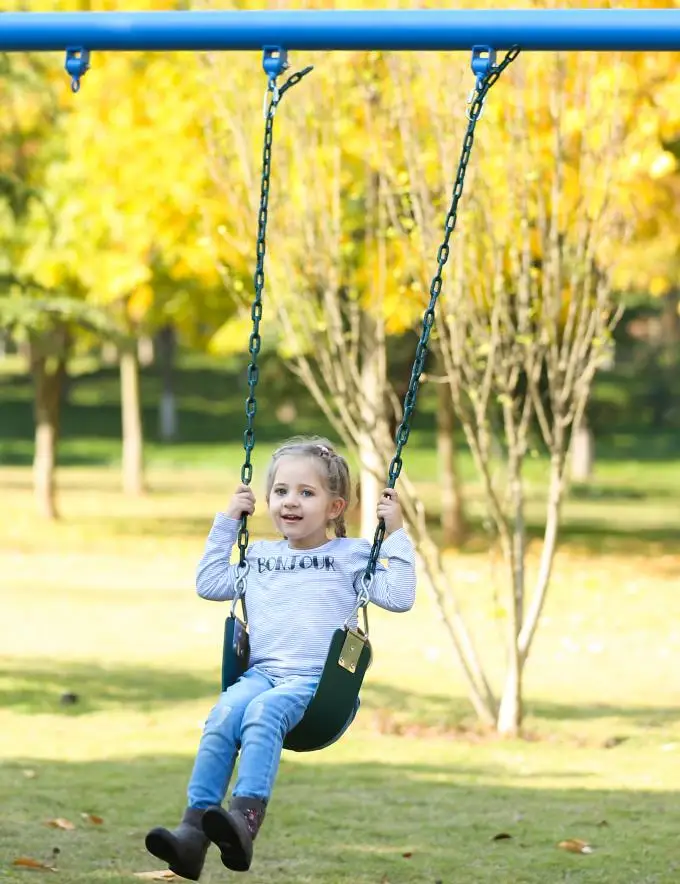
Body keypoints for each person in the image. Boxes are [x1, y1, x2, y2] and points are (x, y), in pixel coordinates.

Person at [145, 436, 416, 879]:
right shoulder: (260, 557)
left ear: (334, 507)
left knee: (263, 712)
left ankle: (244, 820)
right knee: (224, 713)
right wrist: (228, 522)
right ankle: (192, 835)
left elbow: (400, 596)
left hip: (317, 685)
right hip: (263, 674)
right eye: (281, 491)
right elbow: (209, 583)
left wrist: (396, 535)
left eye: (306, 493)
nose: (290, 501)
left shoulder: (350, 557)